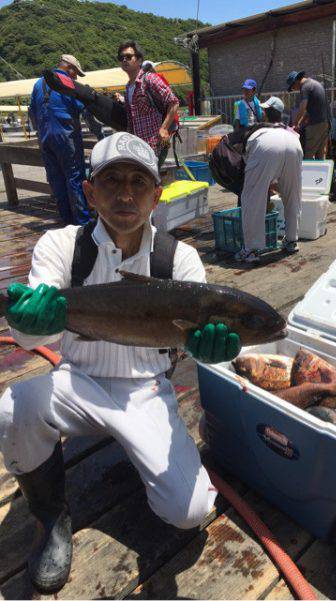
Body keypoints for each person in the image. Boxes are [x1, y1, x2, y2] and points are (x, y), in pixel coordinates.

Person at [0, 132, 242, 594]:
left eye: (138, 182)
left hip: (146, 390)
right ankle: (50, 517)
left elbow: (195, 340)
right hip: (76, 381)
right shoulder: (61, 246)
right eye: (111, 181)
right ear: (90, 192)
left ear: (158, 192)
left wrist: (206, 351)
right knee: (13, 407)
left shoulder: (180, 259)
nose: (125, 194)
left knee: (189, 512)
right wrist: (30, 322)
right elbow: (33, 332)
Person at [235, 96, 303, 264]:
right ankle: (291, 241)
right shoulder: (290, 131)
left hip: (267, 143)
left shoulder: (259, 130)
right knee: (293, 195)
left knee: (252, 198)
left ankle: (251, 249)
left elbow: (246, 158)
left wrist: (261, 182)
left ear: (265, 113)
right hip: (294, 144)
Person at [29, 54, 91, 226]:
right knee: (75, 178)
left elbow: (32, 112)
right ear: (69, 68)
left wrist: (41, 133)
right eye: (76, 72)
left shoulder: (38, 84)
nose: (76, 77)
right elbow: (84, 109)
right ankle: (82, 224)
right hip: (66, 137)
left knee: (57, 180)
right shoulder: (67, 83)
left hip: (45, 139)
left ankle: (66, 221)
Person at [118, 40, 179, 169]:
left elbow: (173, 102)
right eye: (121, 57)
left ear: (139, 60)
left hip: (157, 144)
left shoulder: (150, 79)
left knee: (150, 181)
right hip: (138, 147)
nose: (124, 60)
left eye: (128, 57)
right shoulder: (128, 87)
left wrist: (164, 128)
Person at [287, 70, 329, 160]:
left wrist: (295, 123)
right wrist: (300, 123)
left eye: (293, 87)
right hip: (325, 123)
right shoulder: (314, 84)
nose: (295, 90)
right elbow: (308, 110)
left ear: (296, 82)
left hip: (315, 125)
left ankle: (306, 174)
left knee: (308, 154)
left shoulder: (305, 87)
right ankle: (321, 174)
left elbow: (303, 107)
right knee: (320, 154)